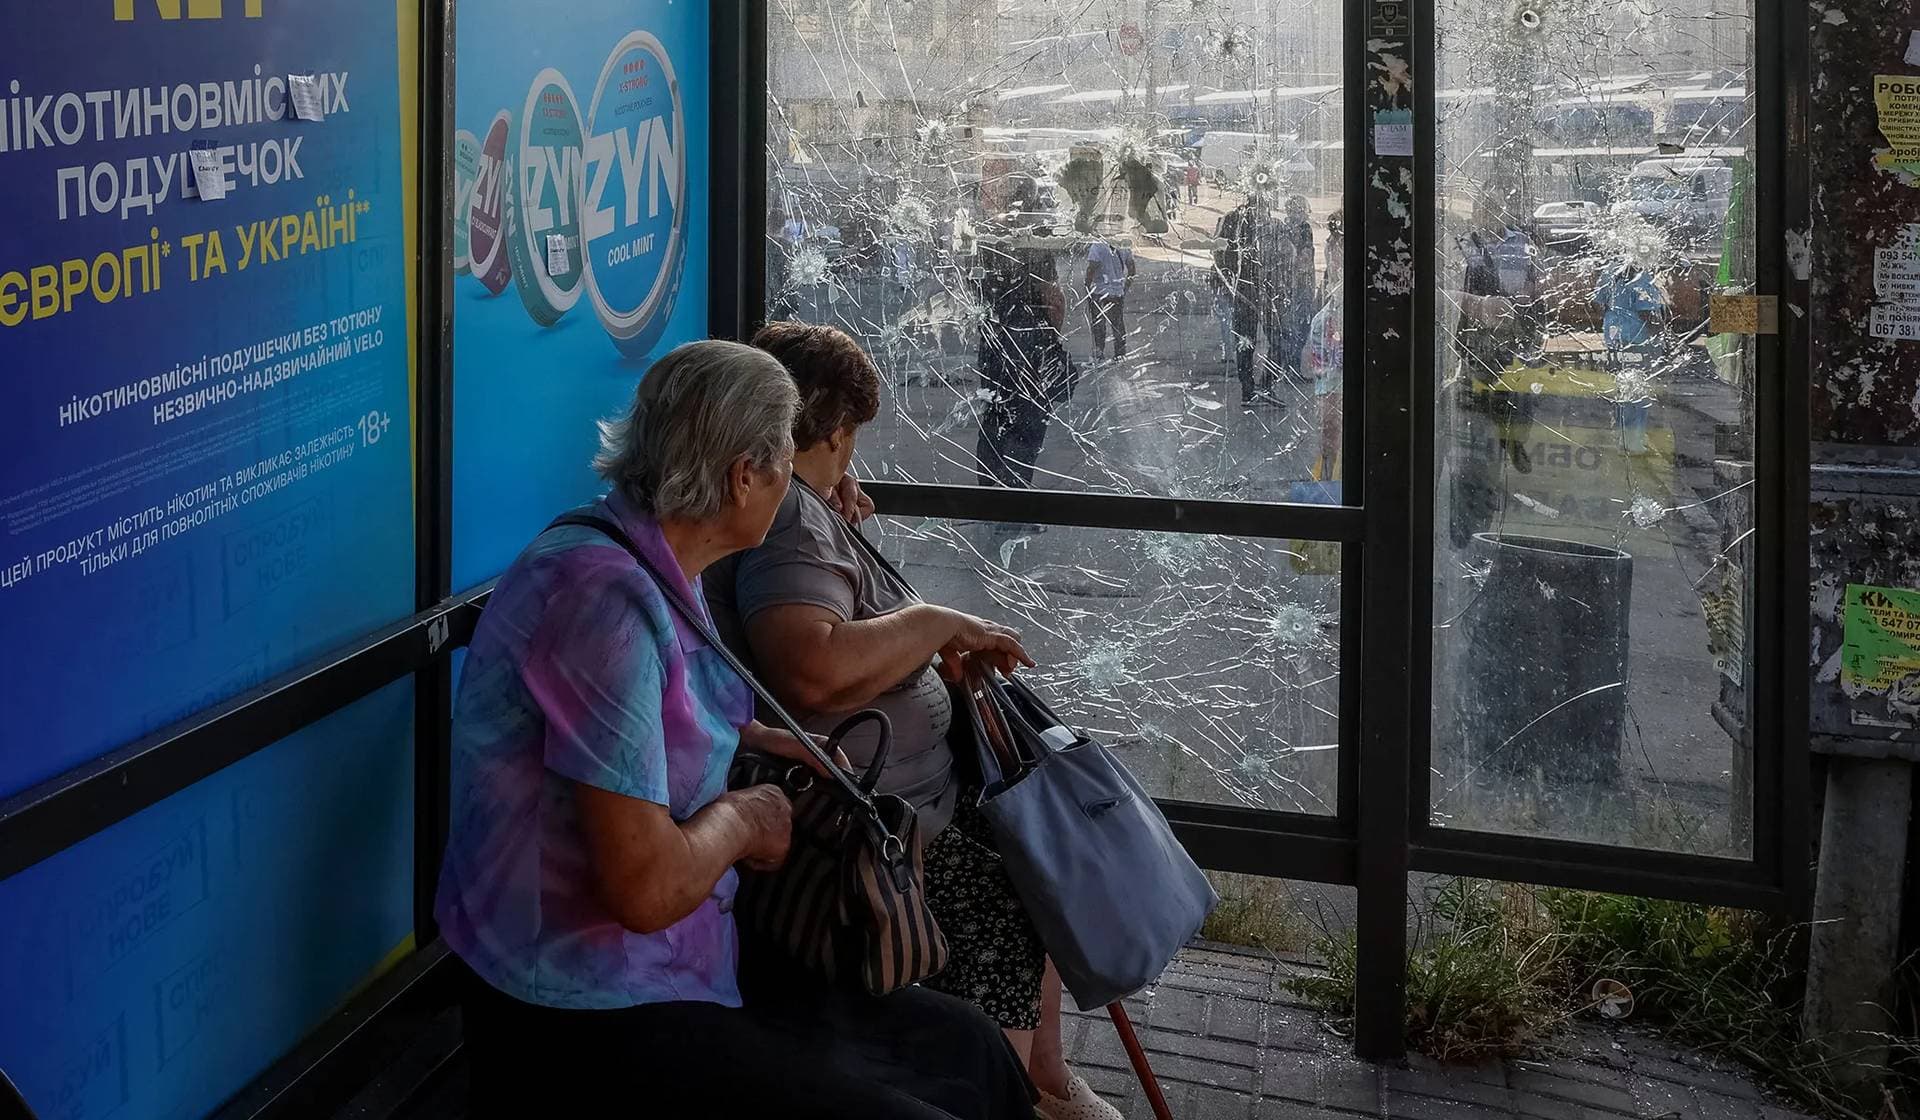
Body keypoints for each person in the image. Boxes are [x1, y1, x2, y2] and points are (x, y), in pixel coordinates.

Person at [435, 339, 1035, 1120]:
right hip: (583, 998)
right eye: (787, 459)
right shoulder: (604, 603)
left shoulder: (648, 555)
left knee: (969, 1049)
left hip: (681, 955)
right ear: (742, 475)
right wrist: (746, 819)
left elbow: (635, 729)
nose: (799, 484)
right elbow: (643, 889)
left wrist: (761, 743)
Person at [709, 322, 1127, 1120]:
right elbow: (812, 670)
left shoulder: (799, 509)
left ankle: (1039, 1077)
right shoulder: (789, 519)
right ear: (824, 432)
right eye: (847, 441)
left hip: (898, 800)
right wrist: (934, 623)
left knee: (1026, 848)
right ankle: (1003, 1096)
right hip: (866, 824)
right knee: (1012, 884)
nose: (853, 464)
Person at [975, 228, 1073, 487]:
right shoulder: (1036, 244)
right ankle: (1015, 500)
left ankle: (985, 493)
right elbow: (1054, 300)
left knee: (995, 415)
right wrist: (1050, 340)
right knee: (1027, 423)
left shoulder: (988, 244)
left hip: (993, 348)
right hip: (1031, 352)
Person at [1215, 189, 1283, 406]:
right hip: (1247, 293)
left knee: (1270, 341)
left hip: (1260, 292)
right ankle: (1253, 389)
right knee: (1248, 343)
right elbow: (1220, 254)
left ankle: (1261, 387)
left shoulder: (1270, 225)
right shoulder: (1234, 220)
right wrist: (1229, 285)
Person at [1084, 233, 1136, 362]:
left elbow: (1091, 268)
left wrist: (1087, 286)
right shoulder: (1124, 245)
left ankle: (1099, 355)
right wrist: (1125, 287)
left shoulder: (1097, 246)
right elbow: (1132, 269)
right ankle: (1120, 354)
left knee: (1098, 324)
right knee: (1118, 323)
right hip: (1117, 292)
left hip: (1099, 291)